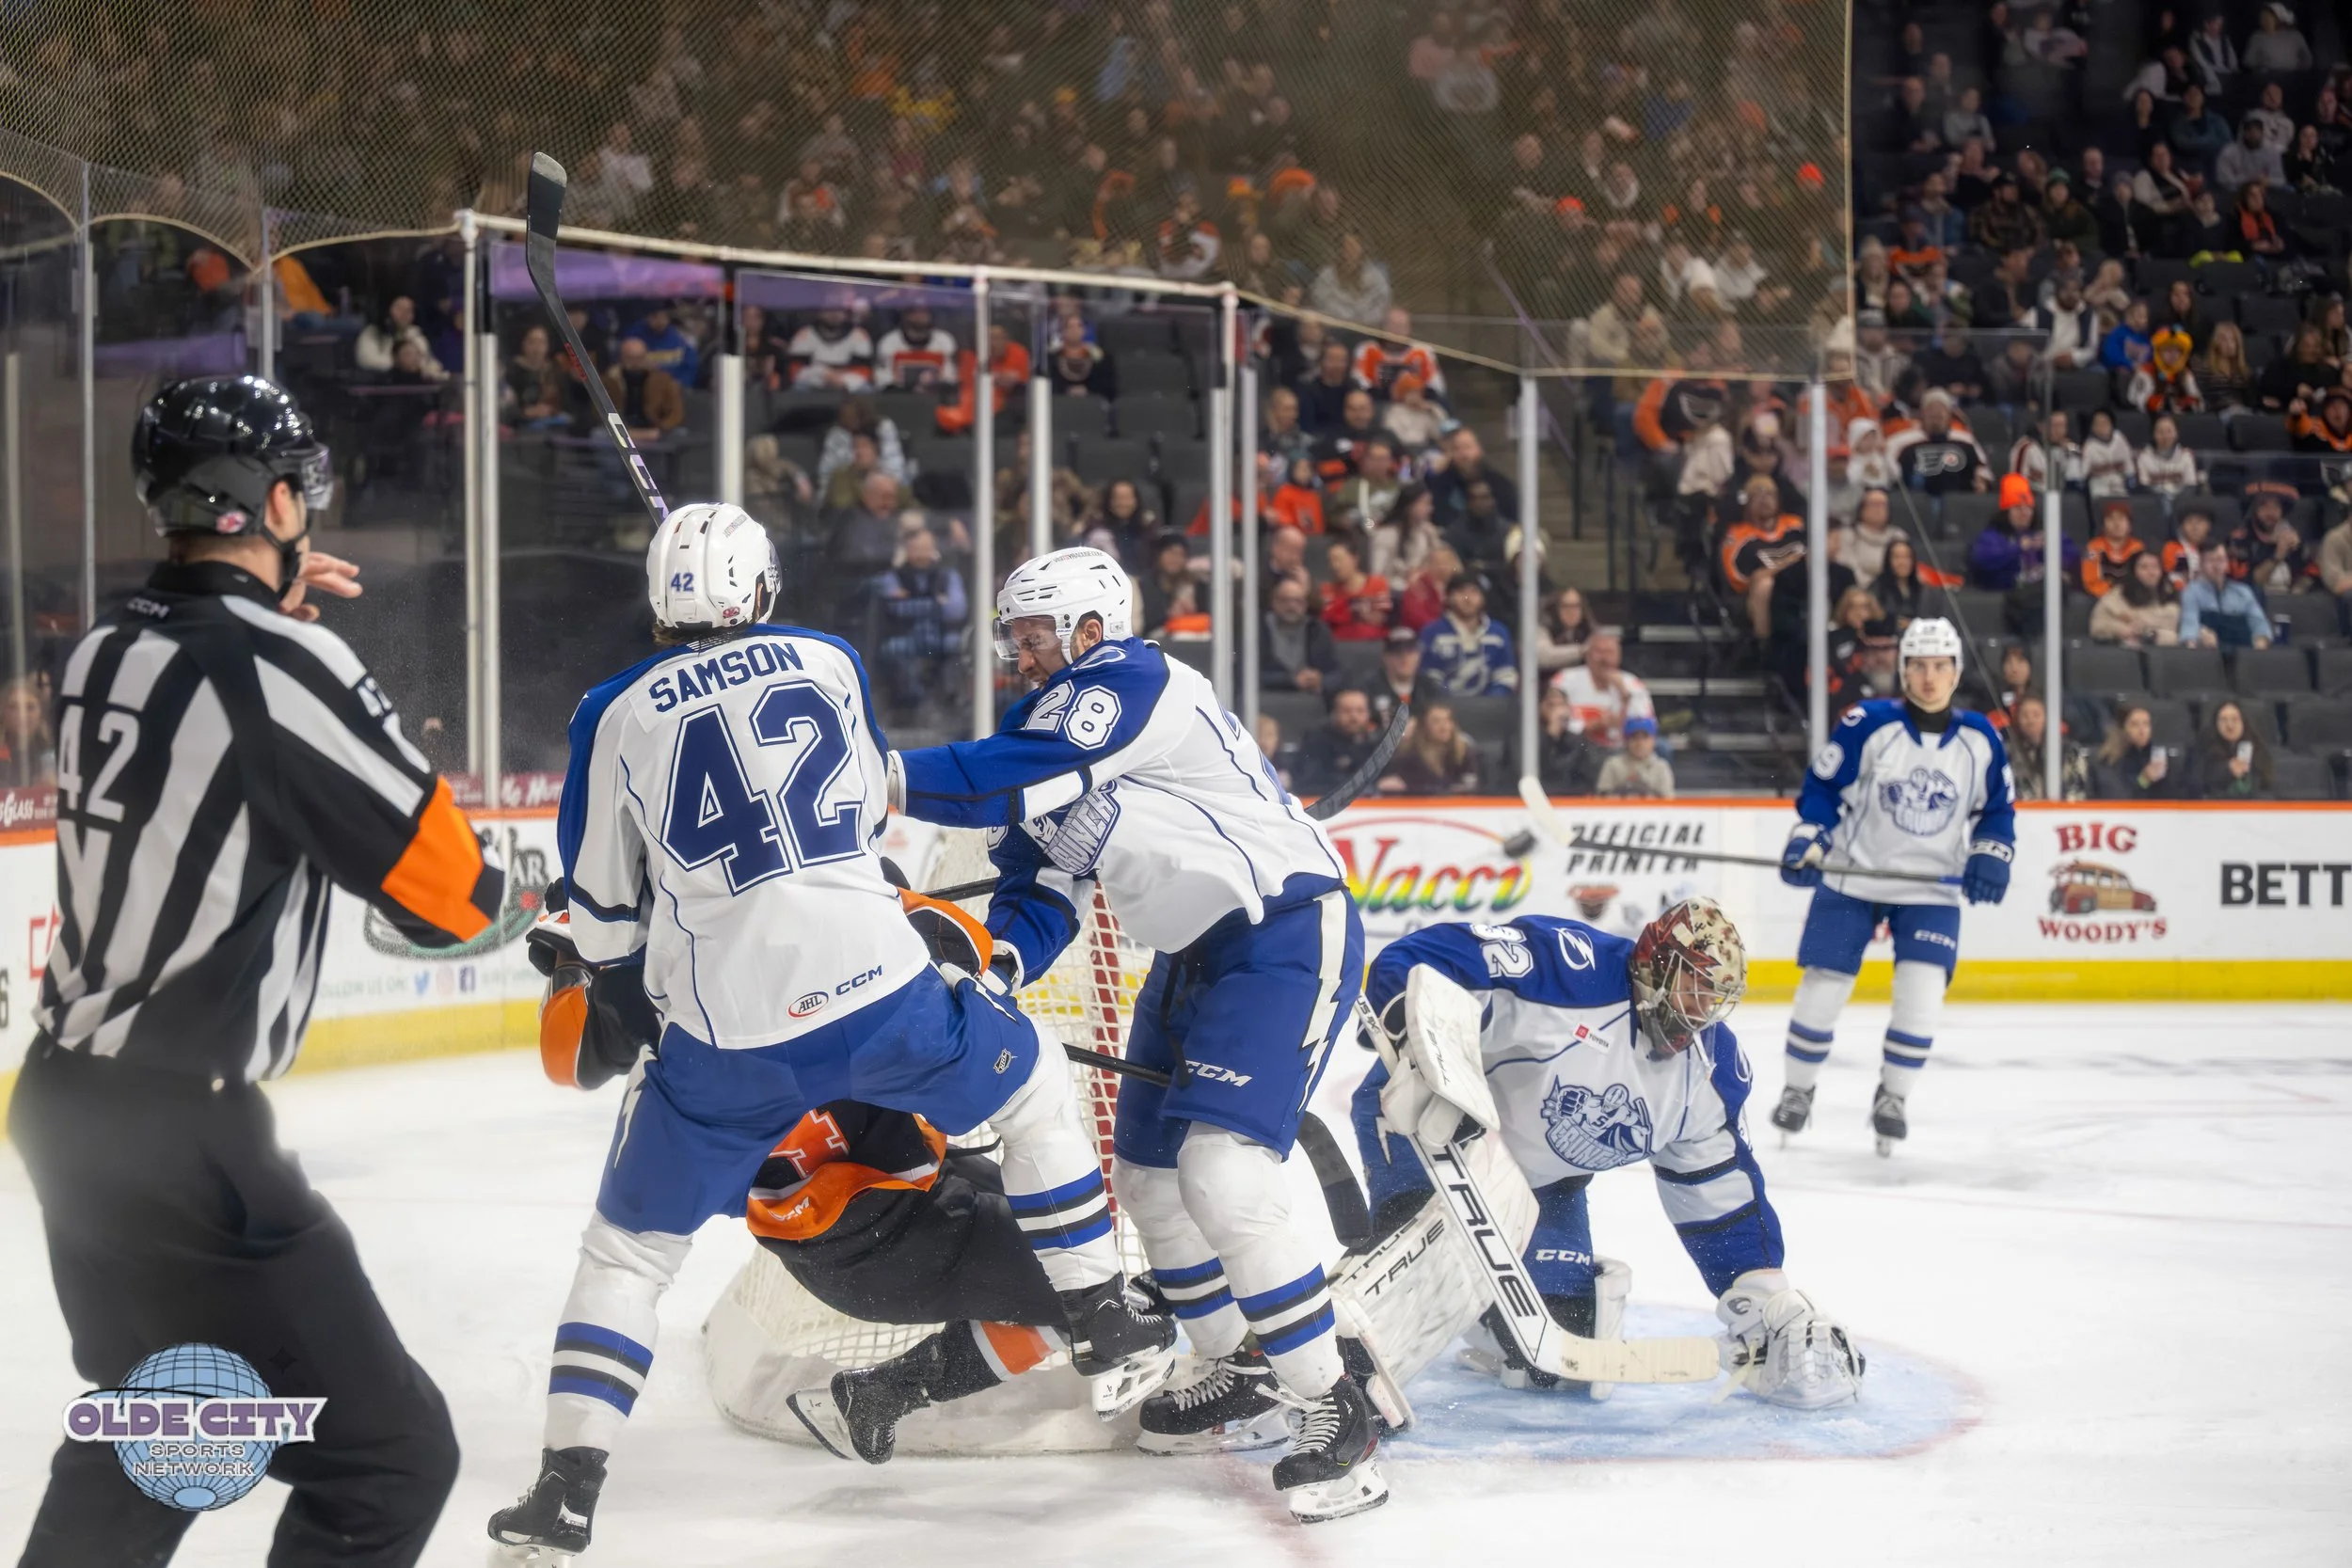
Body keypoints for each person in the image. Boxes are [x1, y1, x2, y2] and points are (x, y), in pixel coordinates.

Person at [490, 525, 1171, 1559]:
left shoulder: (608, 710)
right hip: (880, 988)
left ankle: (565, 1488)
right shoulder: (827, 656)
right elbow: (848, 818)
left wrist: (616, 965)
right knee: (1032, 1089)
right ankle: (1099, 1307)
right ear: (760, 585)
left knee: (624, 1255)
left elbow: (602, 922)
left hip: (731, 1043)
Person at [14, 375, 495, 1566]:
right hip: (194, 1141)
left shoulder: (98, 652)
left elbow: (225, 755)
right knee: (388, 1452)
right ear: (276, 502)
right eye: (303, 502)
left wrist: (289, 633)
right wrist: (321, 655)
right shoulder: (285, 669)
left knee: (163, 1425)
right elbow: (455, 898)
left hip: (71, 1110)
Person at [890, 546, 1382, 1520]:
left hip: (1280, 931)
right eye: (1014, 634)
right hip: (1188, 958)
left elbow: (988, 780)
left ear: (1088, 626)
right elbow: (1040, 891)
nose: (1019, 652)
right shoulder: (1042, 731)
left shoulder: (1133, 678)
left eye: (1035, 633)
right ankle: (1232, 1366)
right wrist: (995, 967)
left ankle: (1335, 1406)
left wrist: (862, 774)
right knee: (1148, 1180)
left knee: (1224, 1175)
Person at [1350, 906, 1864, 1408]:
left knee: (1553, 1359)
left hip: (1540, 1185)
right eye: (1692, 988)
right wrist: (1423, 1058)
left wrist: (1764, 1294)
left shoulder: (1709, 1073)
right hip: (1430, 1129)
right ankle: (1326, 1374)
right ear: (1654, 966)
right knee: (1413, 1273)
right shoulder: (1570, 969)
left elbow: (1717, 1196)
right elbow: (1419, 962)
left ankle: (1479, 1308)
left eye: (1713, 998)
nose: (1699, 1011)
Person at [1772, 618, 2014, 1156]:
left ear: (1957, 671)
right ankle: (1798, 1089)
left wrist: (1991, 854)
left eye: (1941, 666)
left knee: (1921, 999)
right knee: (1824, 987)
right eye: (1919, 666)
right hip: (1853, 876)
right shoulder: (1868, 723)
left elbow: (1997, 811)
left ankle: (1894, 1097)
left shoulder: (1980, 738)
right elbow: (1822, 789)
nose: (1930, 678)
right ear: (1903, 671)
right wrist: (1809, 838)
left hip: (1930, 890)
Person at [874, 527, 969, 714]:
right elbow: (893, 607)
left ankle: (949, 704)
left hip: (941, 637)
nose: (921, 553)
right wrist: (936, 602)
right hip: (906, 637)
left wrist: (911, 601)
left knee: (955, 649)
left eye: (926, 547)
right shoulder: (893, 576)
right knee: (894, 650)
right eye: (916, 548)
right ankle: (906, 706)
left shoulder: (948, 575)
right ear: (907, 550)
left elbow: (957, 610)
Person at [1418, 574, 1518, 697]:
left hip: (1490, 709)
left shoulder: (1498, 632)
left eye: (1474, 592)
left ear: (1483, 598)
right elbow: (1429, 676)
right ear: (1448, 597)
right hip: (1444, 707)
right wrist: (1446, 698)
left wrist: (1492, 700)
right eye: (1461, 592)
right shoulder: (1432, 632)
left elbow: (1505, 674)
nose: (1467, 598)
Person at [2178, 545, 2273, 648]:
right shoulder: (2192, 592)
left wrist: (2260, 643)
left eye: (2220, 560)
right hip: (2208, 653)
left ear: (2227, 563)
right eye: (2210, 560)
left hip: (2243, 653)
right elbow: (2189, 625)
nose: (2216, 565)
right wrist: (2196, 640)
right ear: (2201, 564)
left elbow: (2260, 625)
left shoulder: (2243, 592)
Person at [1295, 687, 1383, 796]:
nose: (1354, 717)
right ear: (1335, 713)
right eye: (1347, 711)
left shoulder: (1377, 742)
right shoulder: (1316, 740)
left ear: (1369, 714)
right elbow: (1310, 780)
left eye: (1360, 711)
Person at [1263, 575, 1341, 695]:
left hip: (1312, 698)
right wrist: (1291, 680)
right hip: (1270, 697)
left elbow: (1335, 673)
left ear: (1305, 605)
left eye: (1298, 601)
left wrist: (1320, 680)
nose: (1291, 606)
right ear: (1274, 602)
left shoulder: (1317, 629)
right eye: (1285, 600)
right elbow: (1253, 675)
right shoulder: (1260, 628)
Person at [2006, 690, 2091, 800]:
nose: (2030, 720)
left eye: (2036, 715)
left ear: (2048, 718)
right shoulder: (2009, 753)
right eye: (2025, 715)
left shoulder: (2070, 751)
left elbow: (2079, 790)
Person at [1358, 624, 1444, 728]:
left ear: (1418, 656)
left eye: (1410, 653)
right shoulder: (1368, 688)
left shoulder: (1430, 687)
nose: (1404, 659)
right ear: (1385, 657)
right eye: (1397, 653)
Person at [1388, 700, 1481, 794]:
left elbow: (1474, 785)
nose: (1444, 727)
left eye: (1448, 720)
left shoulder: (1465, 751)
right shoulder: (1410, 756)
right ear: (1424, 726)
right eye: (1436, 722)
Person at [2091, 551, 2183, 647]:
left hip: (2161, 649)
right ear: (2134, 571)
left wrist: (2139, 623)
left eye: (2155, 567)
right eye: (2144, 567)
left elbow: (2173, 621)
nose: (2151, 573)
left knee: (2170, 637)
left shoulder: (2170, 593)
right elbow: (2098, 625)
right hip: (2123, 648)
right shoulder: (2118, 595)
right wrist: (2121, 629)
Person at [2092, 703, 2183, 800]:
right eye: (2134, 725)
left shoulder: (2159, 759)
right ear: (2122, 728)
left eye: (2146, 724)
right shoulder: (2109, 761)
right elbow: (2119, 798)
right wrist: (2144, 780)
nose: (2142, 730)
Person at [1529, 685, 1602, 795]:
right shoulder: (1527, 740)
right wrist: (1551, 733)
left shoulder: (1578, 741)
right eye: (1551, 705)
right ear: (1539, 708)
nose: (1558, 711)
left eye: (1561, 705)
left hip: (1569, 803)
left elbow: (1586, 781)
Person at [2195, 699, 2275, 800]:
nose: (2230, 726)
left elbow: (2267, 784)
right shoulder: (2203, 749)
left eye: (2235, 719)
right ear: (2216, 723)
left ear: (2243, 722)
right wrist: (2227, 771)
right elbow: (2197, 783)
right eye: (2224, 720)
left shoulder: (2259, 749)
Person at [355, 293, 448, 379]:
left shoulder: (416, 334)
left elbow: (427, 361)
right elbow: (367, 360)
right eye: (400, 309)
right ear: (388, 310)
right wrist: (399, 362)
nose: (405, 314)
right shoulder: (372, 332)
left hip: (413, 387)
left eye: (409, 310)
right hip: (379, 386)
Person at [1319, 538, 1393, 641]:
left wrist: (1344, 610)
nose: (1334, 566)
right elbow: (1327, 620)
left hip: (1373, 644)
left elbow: (1379, 619)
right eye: (1331, 561)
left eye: (1339, 560)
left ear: (1354, 559)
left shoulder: (1378, 584)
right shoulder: (1327, 590)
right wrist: (1359, 610)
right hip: (1340, 646)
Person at [1594, 715, 1674, 796]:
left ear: (1653, 740)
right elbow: (1601, 798)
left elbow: (1668, 802)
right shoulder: (1613, 764)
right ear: (1626, 741)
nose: (1640, 743)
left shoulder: (1661, 767)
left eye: (1645, 738)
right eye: (1634, 738)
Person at [2082, 499, 2148, 597]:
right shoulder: (2092, 548)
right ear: (2103, 525)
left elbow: (2144, 579)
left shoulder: (2138, 547)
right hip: (2103, 598)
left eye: (2121, 519)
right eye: (2111, 519)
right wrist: (2112, 593)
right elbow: (2090, 582)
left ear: (2130, 525)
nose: (2117, 524)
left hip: (2133, 597)